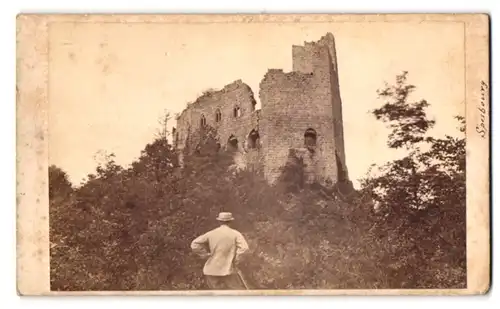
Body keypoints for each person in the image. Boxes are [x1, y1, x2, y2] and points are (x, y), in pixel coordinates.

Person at [190, 212, 249, 290]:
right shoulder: (235, 234)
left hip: (211, 270)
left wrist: (205, 254)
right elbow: (244, 248)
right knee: (237, 293)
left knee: (216, 295)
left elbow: (194, 244)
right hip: (228, 269)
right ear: (230, 222)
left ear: (219, 221)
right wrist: (236, 259)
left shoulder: (211, 233)